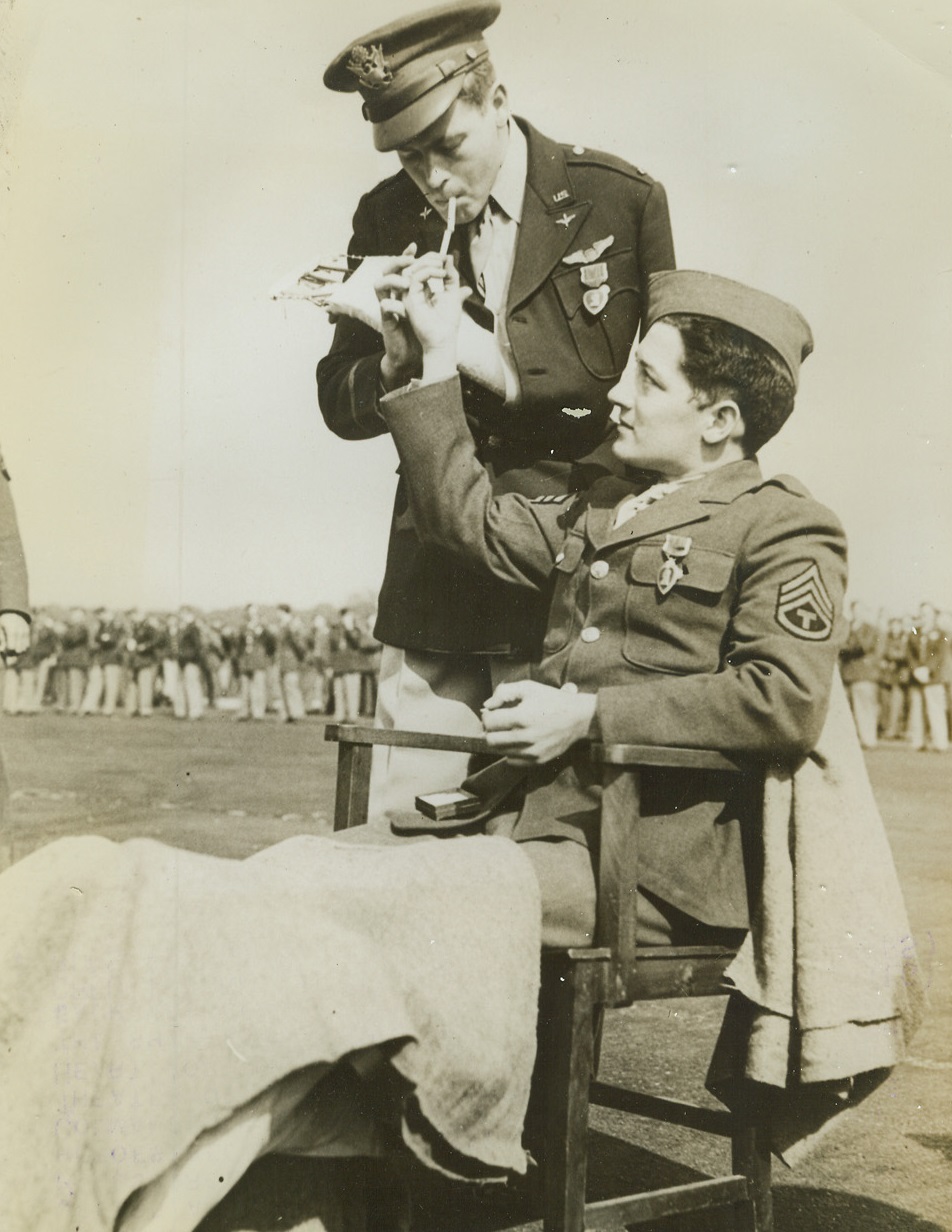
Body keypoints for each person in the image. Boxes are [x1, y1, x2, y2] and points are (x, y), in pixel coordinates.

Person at [369, 259, 848, 946]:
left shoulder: (783, 525)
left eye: (647, 379)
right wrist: (432, 357)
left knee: (383, 901)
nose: (617, 396)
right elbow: (465, 524)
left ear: (719, 420)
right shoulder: (602, 506)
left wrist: (588, 716)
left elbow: (784, 699)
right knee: (314, 867)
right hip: (521, 827)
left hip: (644, 867)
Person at [319, 1, 675, 817]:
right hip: (436, 578)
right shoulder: (385, 215)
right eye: (410, 157)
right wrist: (395, 362)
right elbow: (338, 400)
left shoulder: (617, 200)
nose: (432, 178)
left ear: (498, 101)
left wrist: (467, 353)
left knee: (552, 841)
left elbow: (655, 390)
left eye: (447, 146)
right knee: (408, 826)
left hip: (567, 574)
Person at [906, 601, 950, 752]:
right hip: (917, 676)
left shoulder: (941, 633)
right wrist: (916, 669)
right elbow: (909, 654)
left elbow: (940, 654)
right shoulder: (914, 632)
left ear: (933, 615)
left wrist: (927, 669)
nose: (925, 617)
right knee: (917, 709)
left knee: (935, 708)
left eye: (928, 614)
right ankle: (918, 742)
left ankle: (940, 742)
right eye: (922, 614)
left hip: (934, 677)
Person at [839, 601, 883, 749]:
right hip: (848, 674)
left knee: (865, 707)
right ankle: (855, 740)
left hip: (864, 675)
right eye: (855, 610)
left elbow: (864, 646)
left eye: (860, 610)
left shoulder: (869, 629)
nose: (857, 613)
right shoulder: (847, 626)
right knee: (849, 709)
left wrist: (853, 634)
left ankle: (868, 739)